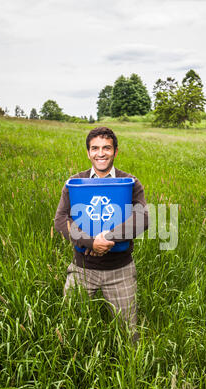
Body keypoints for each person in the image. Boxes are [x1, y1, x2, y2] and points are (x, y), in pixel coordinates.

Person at [54, 127, 148, 342]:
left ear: (116, 152)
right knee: (69, 328)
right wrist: (90, 242)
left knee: (128, 335)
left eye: (107, 148)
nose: (101, 153)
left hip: (120, 270)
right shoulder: (75, 182)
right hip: (82, 268)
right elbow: (60, 220)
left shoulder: (130, 182)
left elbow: (143, 218)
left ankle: (130, 369)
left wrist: (108, 239)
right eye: (95, 148)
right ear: (88, 153)